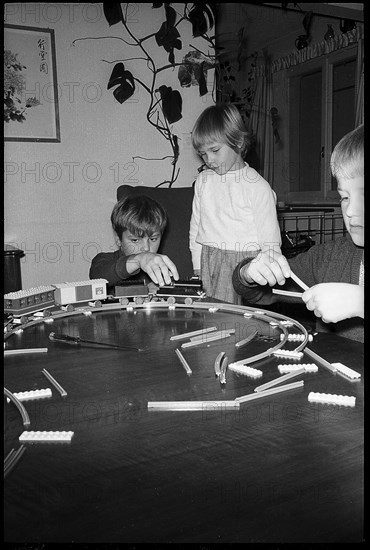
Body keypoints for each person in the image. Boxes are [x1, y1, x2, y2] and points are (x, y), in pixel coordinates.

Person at [232, 124, 364, 343]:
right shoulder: (328, 258)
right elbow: (260, 294)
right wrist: (249, 272)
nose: (350, 211)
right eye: (345, 197)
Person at [189, 104, 281, 304]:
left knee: (240, 323)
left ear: (238, 141)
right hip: (209, 260)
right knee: (211, 319)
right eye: (203, 154)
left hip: (245, 265)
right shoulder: (203, 181)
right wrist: (197, 266)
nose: (209, 160)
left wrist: (267, 271)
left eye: (214, 150)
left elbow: (271, 241)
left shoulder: (258, 187)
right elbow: (196, 228)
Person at [90, 195, 179, 293]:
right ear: (118, 239)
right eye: (135, 240)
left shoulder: (163, 268)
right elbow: (98, 277)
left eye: (153, 239)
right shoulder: (103, 261)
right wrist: (138, 260)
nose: (146, 248)